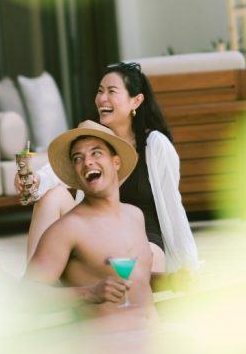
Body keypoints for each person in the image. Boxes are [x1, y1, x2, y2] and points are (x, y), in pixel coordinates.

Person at [19, 62, 199, 276]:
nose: (102, 98)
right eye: (100, 91)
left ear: (136, 101)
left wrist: (187, 264)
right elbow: (58, 172)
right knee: (53, 196)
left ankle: (83, 277)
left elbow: (172, 203)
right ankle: (32, 282)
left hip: (142, 239)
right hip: (95, 231)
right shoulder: (94, 140)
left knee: (128, 265)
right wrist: (36, 180)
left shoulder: (155, 145)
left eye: (111, 91)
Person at [21, 120, 156, 333]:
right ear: (76, 174)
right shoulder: (68, 229)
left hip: (155, 340)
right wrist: (89, 293)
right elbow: (25, 296)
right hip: (109, 350)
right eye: (78, 158)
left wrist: (171, 280)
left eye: (96, 153)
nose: (87, 162)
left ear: (116, 162)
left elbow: (137, 281)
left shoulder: (134, 215)